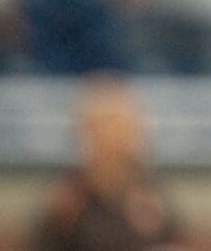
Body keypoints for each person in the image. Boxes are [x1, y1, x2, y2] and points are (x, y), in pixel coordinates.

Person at [34, 76, 190, 250]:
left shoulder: (151, 192)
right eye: (106, 126)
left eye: (123, 126)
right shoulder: (68, 197)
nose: (114, 137)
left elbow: (172, 241)